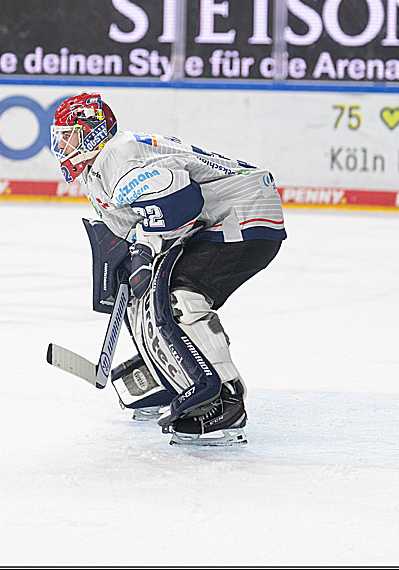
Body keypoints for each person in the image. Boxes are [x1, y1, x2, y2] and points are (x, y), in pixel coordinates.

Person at [49, 93, 286, 445]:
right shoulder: (98, 171)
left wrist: (145, 250)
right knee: (141, 299)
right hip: (219, 217)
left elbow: (180, 204)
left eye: (68, 135)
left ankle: (224, 401)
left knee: (180, 298)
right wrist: (128, 261)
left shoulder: (118, 154)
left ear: (92, 132)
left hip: (244, 212)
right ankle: (173, 376)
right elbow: (132, 225)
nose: (61, 145)